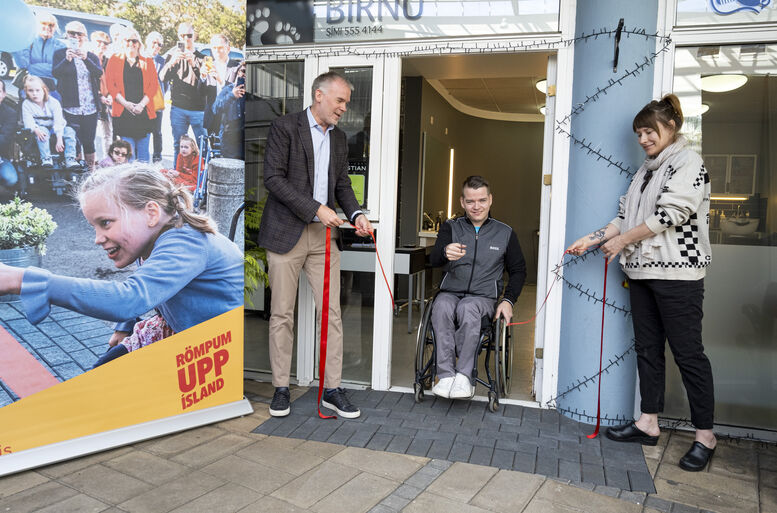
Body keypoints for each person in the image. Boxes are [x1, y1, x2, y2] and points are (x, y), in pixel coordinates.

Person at [566, 94, 715, 472]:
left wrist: (621, 242)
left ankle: (705, 436)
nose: (643, 139)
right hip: (642, 273)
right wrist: (593, 238)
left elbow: (670, 214)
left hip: (678, 275)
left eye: (650, 131)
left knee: (688, 355)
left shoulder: (688, 162)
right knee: (648, 350)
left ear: (671, 127)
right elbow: (624, 217)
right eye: (639, 133)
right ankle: (649, 422)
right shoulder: (646, 170)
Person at [0, 163, 243, 367]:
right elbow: (148, 287)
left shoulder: (185, 242)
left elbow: (129, 298)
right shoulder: (153, 239)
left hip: (225, 352)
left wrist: (24, 280)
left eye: (105, 223)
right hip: (190, 335)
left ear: (151, 213)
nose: (97, 238)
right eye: (94, 226)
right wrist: (126, 326)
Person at [258, 71, 372, 419]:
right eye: (340, 100)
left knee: (332, 314)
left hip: (324, 237)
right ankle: (281, 388)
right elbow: (273, 178)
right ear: (319, 95)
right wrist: (315, 208)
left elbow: (342, 185)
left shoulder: (339, 139)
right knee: (282, 314)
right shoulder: (285, 127)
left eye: (346, 103)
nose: (344, 108)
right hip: (285, 233)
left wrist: (357, 213)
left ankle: (332, 389)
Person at [429, 176, 527, 399]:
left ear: (490, 200)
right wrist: (444, 252)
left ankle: (464, 376)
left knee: (468, 307)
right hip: (450, 292)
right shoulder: (450, 227)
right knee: (441, 306)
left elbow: (519, 271)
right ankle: (446, 376)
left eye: (482, 200)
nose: (476, 206)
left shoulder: (505, 233)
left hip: (483, 298)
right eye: (470, 201)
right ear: (462, 202)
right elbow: (433, 260)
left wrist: (508, 300)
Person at [52, 22, 103, 171]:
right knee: (73, 141)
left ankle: (90, 171)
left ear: (85, 37)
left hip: (90, 107)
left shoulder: (91, 56)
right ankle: (75, 173)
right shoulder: (60, 54)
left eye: (79, 34)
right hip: (71, 106)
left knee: (89, 141)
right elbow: (56, 73)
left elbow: (98, 73)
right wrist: (66, 60)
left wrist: (85, 58)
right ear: (66, 35)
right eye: (71, 33)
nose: (75, 36)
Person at [105, 29, 159, 162]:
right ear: (122, 42)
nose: (131, 43)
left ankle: (143, 175)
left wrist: (141, 105)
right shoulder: (114, 59)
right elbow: (111, 86)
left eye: (134, 41)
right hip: (123, 112)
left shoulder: (147, 61)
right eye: (127, 40)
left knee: (143, 154)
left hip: (143, 112)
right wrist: (126, 104)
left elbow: (153, 86)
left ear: (139, 43)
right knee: (127, 154)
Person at [160, 23, 209, 164]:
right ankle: (178, 174)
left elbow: (205, 83)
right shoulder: (172, 55)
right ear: (178, 36)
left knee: (203, 146)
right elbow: (162, 77)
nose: (186, 38)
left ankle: (203, 176)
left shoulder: (202, 58)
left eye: (189, 35)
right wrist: (171, 62)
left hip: (198, 110)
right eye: (182, 35)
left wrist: (193, 63)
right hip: (178, 108)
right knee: (178, 146)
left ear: (195, 36)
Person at [21, 75, 78, 169]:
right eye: (31, 91)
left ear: (44, 90)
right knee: (42, 132)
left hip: (57, 127)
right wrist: (35, 129)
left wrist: (59, 139)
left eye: (38, 90)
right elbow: (28, 121)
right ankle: (46, 158)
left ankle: (70, 158)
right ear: (26, 92)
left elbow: (58, 122)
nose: (34, 94)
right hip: (41, 128)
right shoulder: (26, 104)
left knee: (70, 131)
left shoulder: (54, 102)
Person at [13, 11, 65, 100]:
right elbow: (23, 64)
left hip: (52, 90)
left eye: (51, 25)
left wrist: (32, 67)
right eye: (43, 23)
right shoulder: (28, 42)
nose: (47, 27)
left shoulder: (61, 46)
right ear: (37, 25)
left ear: (55, 27)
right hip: (29, 88)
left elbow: (57, 69)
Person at [211, 62, 245, 160]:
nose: (245, 74)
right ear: (238, 73)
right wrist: (232, 96)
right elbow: (215, 109)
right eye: (243, 71)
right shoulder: (228, 90)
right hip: (230, 139)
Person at [90, 30, 114, 160]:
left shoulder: (108, 61)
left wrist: (110, 95)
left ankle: (107, 160)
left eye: (105, 43)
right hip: (91, 100)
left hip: (106, 102)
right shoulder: (88, 58)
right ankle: (91, 162)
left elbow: (112, 81)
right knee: (91, 134)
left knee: (108, 134)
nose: (102, 45)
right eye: (99, 42)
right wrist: (99, 96)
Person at [145, 31, 168, 163]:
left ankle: (157, 158)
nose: (156, 46)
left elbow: (165, 83)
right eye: (154, 43)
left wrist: (161, 95)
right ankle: (141, 158)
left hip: (156, 101)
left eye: (160, 44)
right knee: (143, 131)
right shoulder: (140, 57)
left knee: (157, 131)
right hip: (142, 101)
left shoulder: (162, 61)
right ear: (147, 42)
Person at [0, 81, 19, 194]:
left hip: (1, 157)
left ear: (4, 94)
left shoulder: (10, 113)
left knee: (11, 179)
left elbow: (4, 139)